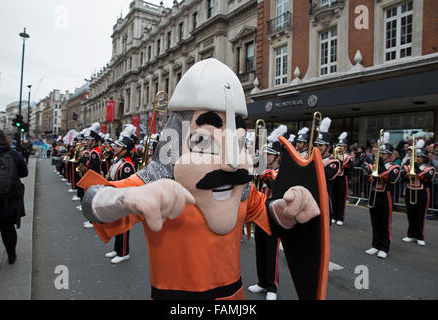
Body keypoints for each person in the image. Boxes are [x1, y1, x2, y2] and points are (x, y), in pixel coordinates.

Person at [79, 58, 322, 300]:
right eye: (204, 142)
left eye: (237, 143)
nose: (231, 163)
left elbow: (265, 212)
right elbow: (93, 202)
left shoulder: (240, 190)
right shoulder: (159, 183)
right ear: (174, 144)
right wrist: (125, 198)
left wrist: (286, 210)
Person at [248, 125, 286, 300]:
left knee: (272, 251)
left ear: (277, 157)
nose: (265, 157)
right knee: (260, 248)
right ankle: (262, 282)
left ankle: (272, 286)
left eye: (269, 155)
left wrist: (260, 170)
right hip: (259, 211)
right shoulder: (264, 169)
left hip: (273, 215)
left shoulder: (281, 172)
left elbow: (273, 182)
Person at [0, 128, 28, 273]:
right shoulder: (13, 154)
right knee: (8, 229)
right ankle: (11, 255)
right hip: (9, 200)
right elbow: (24, 172)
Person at [104, 125, 137, 264]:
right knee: (117, 225)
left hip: (123, 200)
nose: (115, 149)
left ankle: (124, 252)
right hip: (115, 197)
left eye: (118, 147)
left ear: (125, 150)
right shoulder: (119, 161)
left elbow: (127, 185)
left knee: (123, 226)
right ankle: (117, 249)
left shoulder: (127, 165)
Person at [366, 132, 400, 259]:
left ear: (390, 155)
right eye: (380, 153)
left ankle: (384, 247)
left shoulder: (394, 166)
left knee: (385, 224)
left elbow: (389, 178)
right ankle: (375, 245)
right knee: (375, 222)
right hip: (374, 194)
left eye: (384, 154)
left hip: (386, 196)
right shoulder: (376, 165)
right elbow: (370, 180)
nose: (381, 156)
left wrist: (377, 168)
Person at [402, 140, 436, 246]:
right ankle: (410, 234)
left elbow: (426, 179)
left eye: (420, 157)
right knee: (410, 214)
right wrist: (411, 171)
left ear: (424, 158)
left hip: (422, 193)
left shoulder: (429, 168)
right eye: (416, 156)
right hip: (410, 190)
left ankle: (419, 236)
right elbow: (404, 178)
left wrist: (417, 171)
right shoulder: (409, 166)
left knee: (420, 215)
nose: (417, 158)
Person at [314, 118, 340, 225]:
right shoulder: (313, 157)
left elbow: (324, 175)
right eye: (316, 145)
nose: (317, 148)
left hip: (323, 199)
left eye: (321, 145)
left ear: (328, 147)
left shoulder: (333, 162)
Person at [331, 132, 354, 226]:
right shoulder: (334, 155)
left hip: (342, 178)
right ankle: (334, 216)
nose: (340, 147)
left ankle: (340, 217)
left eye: (342, 146)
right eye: (339, 145)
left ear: (345, 147)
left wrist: (341, 162)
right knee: (333, 198)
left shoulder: (348, 157)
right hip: (334, 178)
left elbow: (350, 168)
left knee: (341, 199)